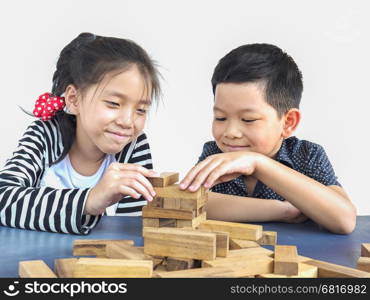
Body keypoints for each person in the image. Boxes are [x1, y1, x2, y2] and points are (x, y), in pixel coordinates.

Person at [180, 43, 356, 234]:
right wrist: (281, 211)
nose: (231, 132)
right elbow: (188, 203)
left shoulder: (307, 155)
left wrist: (258, 163)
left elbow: (344, 219)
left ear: (288, 122)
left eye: (248, 119)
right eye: (220, 118)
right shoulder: (214, 153)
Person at [0, 32, 161, 234]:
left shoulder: (134, 147)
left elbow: (133, 229)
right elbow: (3, 199)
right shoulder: (45, 135)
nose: (127, 122)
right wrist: (89, 200)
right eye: (113, 104)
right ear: (74, 100)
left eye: (141, 110)